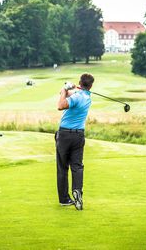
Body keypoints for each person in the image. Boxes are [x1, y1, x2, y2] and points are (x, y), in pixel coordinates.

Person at [55, 73, 94, 210]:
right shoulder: (88, 98)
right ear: (91, 86)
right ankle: (77, 190)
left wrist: (64, 90)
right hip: (79, 136)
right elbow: (73, 94)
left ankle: (65, 199)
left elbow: (60, 105)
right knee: (77, 166)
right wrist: (67, 89)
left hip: (65, 135)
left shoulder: (76, 97)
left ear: (80, 82)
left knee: (63, 168)